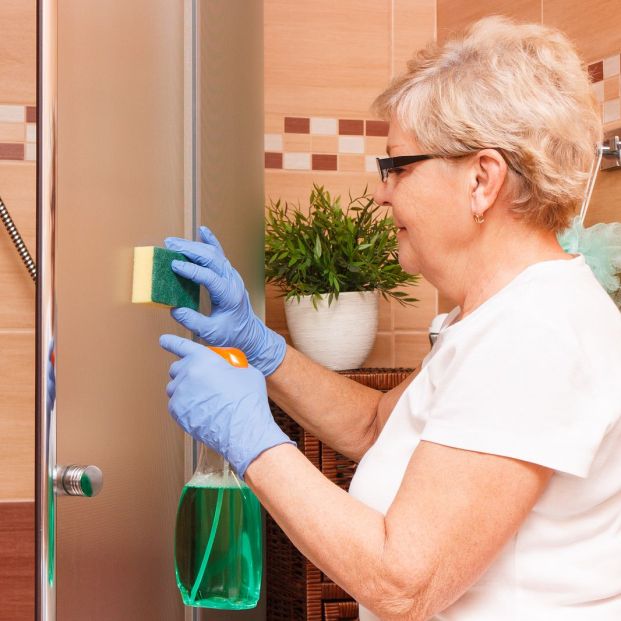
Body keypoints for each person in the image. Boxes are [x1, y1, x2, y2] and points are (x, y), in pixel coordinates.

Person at [159, 16, 621, 621]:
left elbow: (407, 585)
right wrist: (259, 346)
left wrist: (253, 442)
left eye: (398, 166)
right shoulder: (499, 315)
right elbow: (380, 426)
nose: (382, 192)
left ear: (482, 180)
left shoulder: (533, 334)